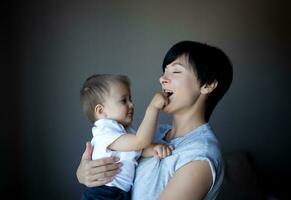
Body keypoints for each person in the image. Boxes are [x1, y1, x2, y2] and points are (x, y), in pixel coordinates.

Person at [76, 41, 233, 200]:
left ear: (208, 85)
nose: (162, 79)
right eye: (164, 71)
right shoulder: (156, 133)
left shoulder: (200, 155)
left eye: (176, 71)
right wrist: (84, 173)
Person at [79, 74, 173, 200]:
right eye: (124, 100)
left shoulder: (124, 129)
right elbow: (140, 142)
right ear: (101, 111)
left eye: (130, 99)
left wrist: (155, 149)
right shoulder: (104, 130)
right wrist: (153, 108)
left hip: (120, 193)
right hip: (103, 194)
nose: (131, 105)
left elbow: (137, 149)